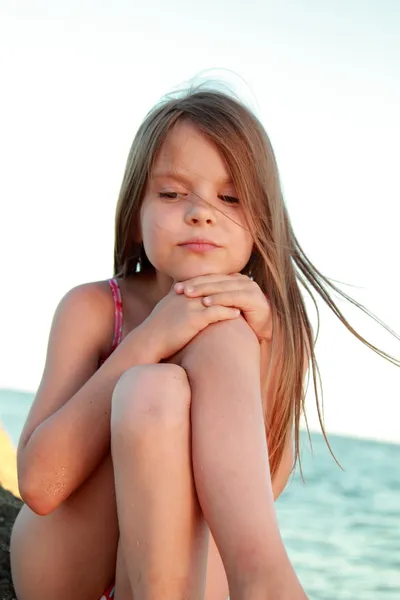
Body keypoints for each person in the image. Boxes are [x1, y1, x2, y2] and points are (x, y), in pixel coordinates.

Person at [9, 84, 399, 600]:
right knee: (148, 386)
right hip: (66, 569)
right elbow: (40, 485)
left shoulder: (264, 327)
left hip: (172, 576)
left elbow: (268, 488)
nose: (201, 212)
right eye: (172, 194)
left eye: (230, 196)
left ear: (261, 224)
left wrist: (262, 347)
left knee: (179, 372)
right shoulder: (94, 308)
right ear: (134, 217)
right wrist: (149, 339)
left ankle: (263, 579)